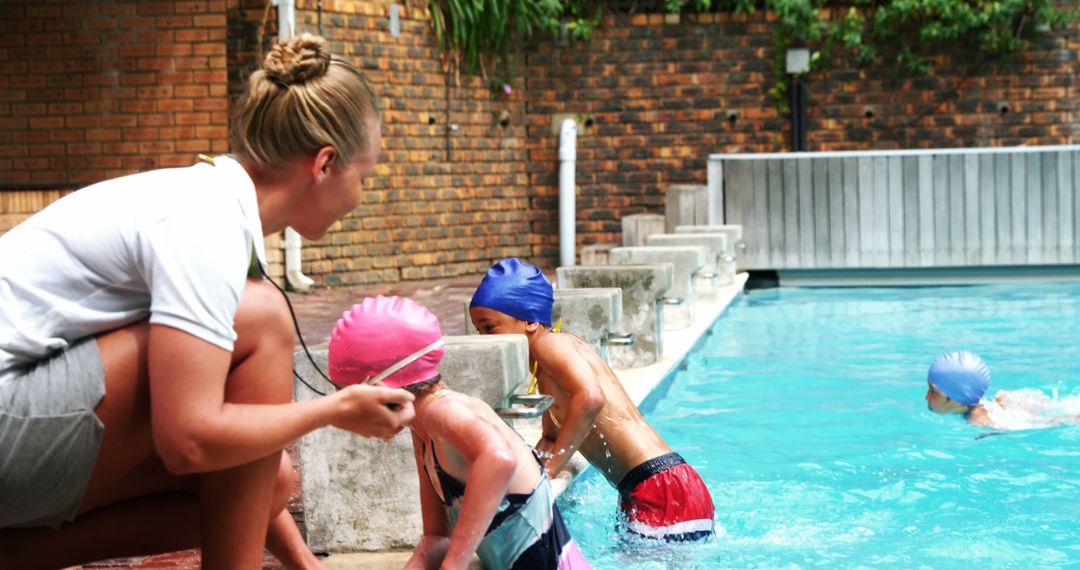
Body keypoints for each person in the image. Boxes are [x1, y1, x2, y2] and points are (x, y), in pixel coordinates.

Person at [0, 34, 415, 569]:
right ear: (325, 163)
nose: (361, 196)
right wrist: (332, 409)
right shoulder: (203, 222)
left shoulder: (205, 202)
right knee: (262, 318)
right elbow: (189, 441)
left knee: (268, 483)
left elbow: (233, 470)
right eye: (365, 178)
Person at [327, 295, 591, 570]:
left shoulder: (444, 411)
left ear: (379, 388)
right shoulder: (423, 431)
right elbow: (436, 538)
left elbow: (499, 458)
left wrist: (453, 566)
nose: (348, 418)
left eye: (346, 399)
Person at [468, 258, 715, 542]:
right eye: (478, 331)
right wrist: (524, 477)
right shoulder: (544, 371)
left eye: (489, 328)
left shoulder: (551, 344)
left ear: (531, 320)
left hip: (660, 488)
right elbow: (550, 439)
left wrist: (549, 471)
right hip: (652, 486)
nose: (485, 340)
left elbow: (591, 399)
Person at [925, 350, 1080, 429]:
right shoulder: (979, 404)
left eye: (933, 391)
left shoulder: (980, 422)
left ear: (956, 398)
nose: (926, 397)